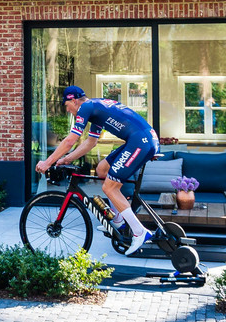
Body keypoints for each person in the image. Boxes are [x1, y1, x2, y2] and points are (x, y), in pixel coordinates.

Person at [35, 85, 160, 255]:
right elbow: (91, 142)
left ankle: (139, 232)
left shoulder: (86, 107)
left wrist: (48, 162)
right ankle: (117, 219)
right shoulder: (95, 108)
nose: (68, 110)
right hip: (141, 139)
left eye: (66, 105)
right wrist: (66, 159)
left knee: (109, 187)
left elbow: (71, 140)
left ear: (73, 100)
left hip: (141, 141)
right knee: (102, 169)